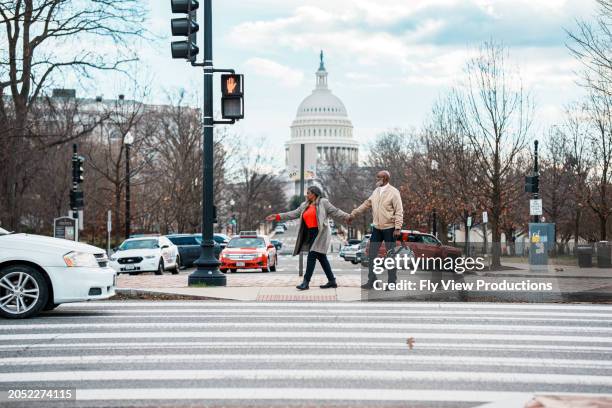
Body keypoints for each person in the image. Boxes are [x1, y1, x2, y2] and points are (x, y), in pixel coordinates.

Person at [266, 186, 350, 290]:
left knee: (312, 256)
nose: (307, 195)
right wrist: (278, 216)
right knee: (322, 258)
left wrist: (347, 216)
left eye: (309, 193)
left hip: (320, 233)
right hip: (310, 234)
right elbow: (294, 214)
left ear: (315, 194)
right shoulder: (304, 205)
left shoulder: (323, 202)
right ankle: (332, 281)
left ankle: (306, 282)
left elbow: (335, 211)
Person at [349, 170, 403, 289]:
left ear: (385, 179)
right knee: (371, 255)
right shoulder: (376, 191)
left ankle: (392, 282)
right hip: (377, 229)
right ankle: (372, 281)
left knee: (390, 256)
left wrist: (398, 227)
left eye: (378, 177)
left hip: (390, 228)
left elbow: (399, 211)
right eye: (376, 177)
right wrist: (353, 214)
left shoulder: (394, 192)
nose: (376, 179)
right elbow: (366, 204)